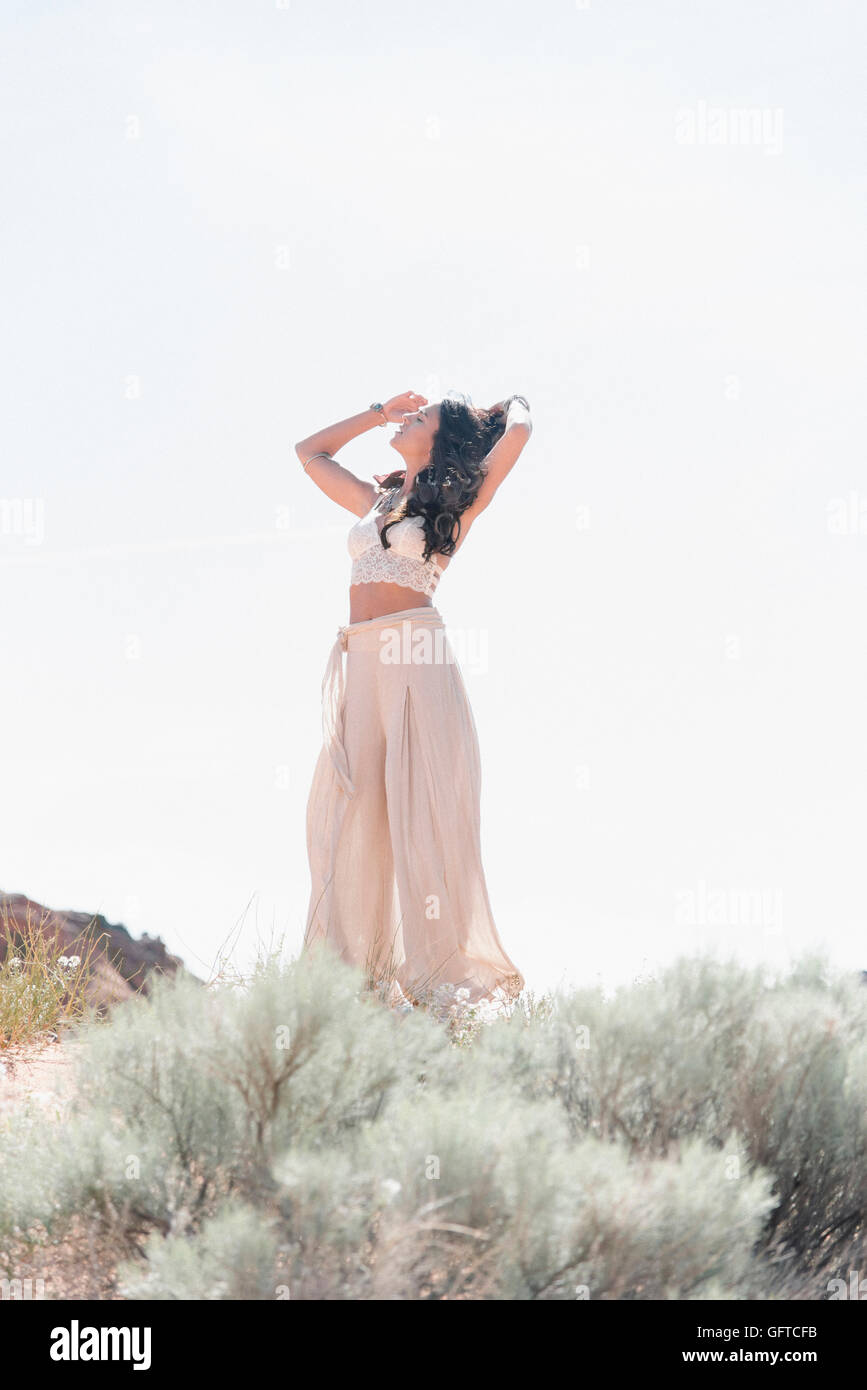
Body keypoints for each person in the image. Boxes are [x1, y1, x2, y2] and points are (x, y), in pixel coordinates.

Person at [296, 389, 532, 1009]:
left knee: (420, 808)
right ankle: (351, 978)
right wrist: (378, 410)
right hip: (363, 661)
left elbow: (520, 434)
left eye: (416, 419)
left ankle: (440, 978)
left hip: (416, 656)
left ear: (439, 438)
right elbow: (309, 452)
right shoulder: (378, 501)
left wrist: (515, 404)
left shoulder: (457, 506)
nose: (404, 422)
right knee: (351, 811)